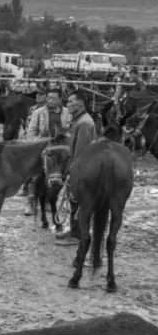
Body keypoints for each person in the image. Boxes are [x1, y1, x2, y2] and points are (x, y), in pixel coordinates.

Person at [55, 91, 100, 243]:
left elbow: (81, 152)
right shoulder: (78, 120)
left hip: (83, 168)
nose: (67, 105)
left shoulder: (84, 123)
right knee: (74, 201)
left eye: (70, 102)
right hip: (79, 166)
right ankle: (75, 231)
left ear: (80, 104)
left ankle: (79, 235)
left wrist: (72, 171)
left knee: (80, 202)